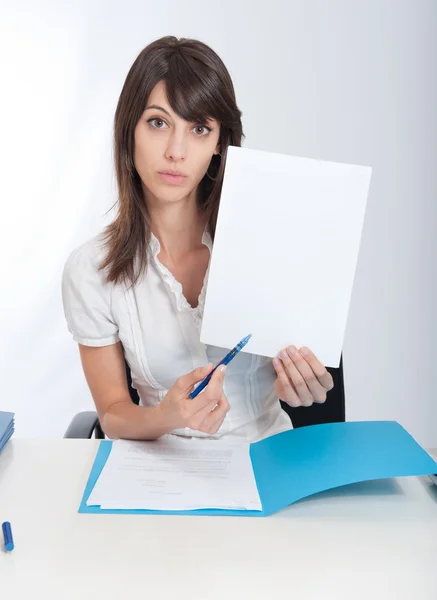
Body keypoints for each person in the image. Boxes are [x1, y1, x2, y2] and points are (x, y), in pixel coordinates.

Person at [61, 36, 334, 443]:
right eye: (158, 122)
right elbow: (113, 414)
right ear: (129, 131)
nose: (176, 150)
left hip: (265, 462)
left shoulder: (269, 245)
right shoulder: (91, 270)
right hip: (159, 469)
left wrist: (302, 387)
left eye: (199, 128)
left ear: (219, 146)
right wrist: (167, 416)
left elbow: (310, 373)